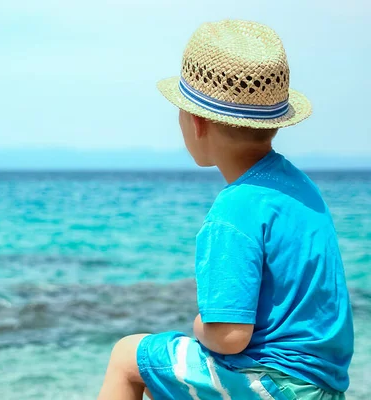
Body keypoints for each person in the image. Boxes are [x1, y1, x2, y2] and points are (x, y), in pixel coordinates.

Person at [97, 19, 354, 400]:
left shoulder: (231, 212)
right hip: (321, 384)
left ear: (197, 122)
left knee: (128, 357)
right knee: (170, 374)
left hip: (275, 384)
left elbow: (230, 336)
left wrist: (199, 325)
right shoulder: (300, 187)